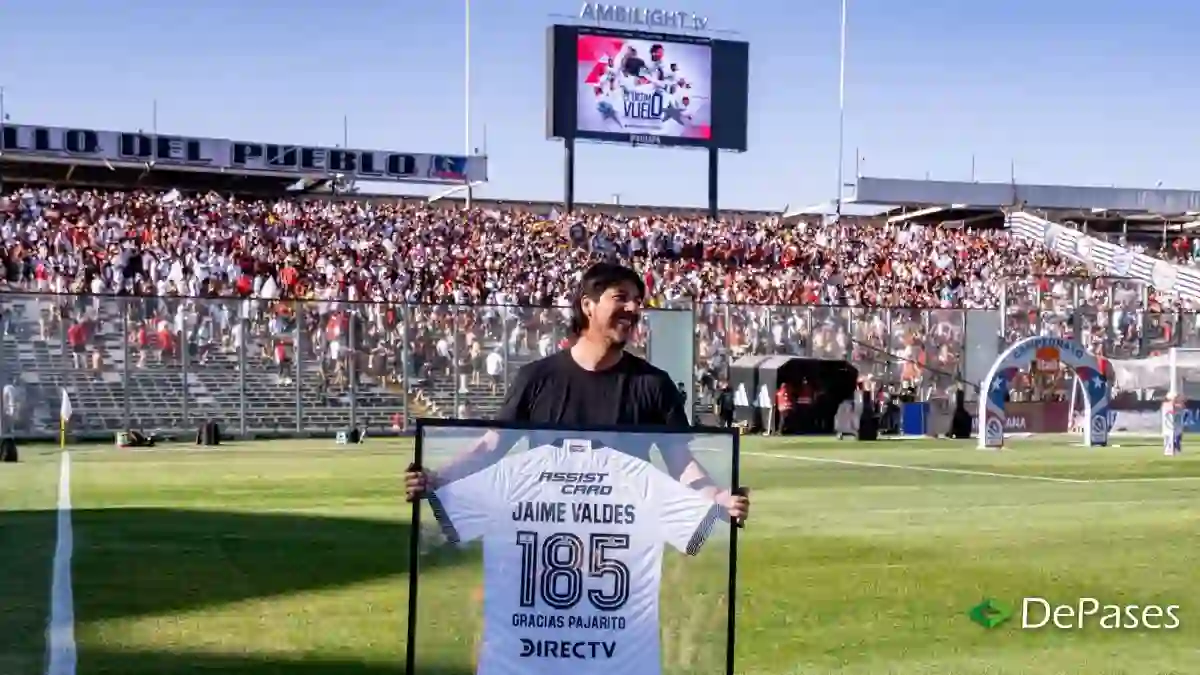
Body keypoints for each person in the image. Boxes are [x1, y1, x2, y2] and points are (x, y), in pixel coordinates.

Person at [405, 261, 750, 524]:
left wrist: (718, 498)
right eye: (621, 298)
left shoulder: (654, 384)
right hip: (545, 538)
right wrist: (437, 479)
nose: (634, 309)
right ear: (588, 305)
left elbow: (682, 466)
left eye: (637, 300)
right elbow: (490, 448)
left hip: (623, 544)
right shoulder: (535, 378)